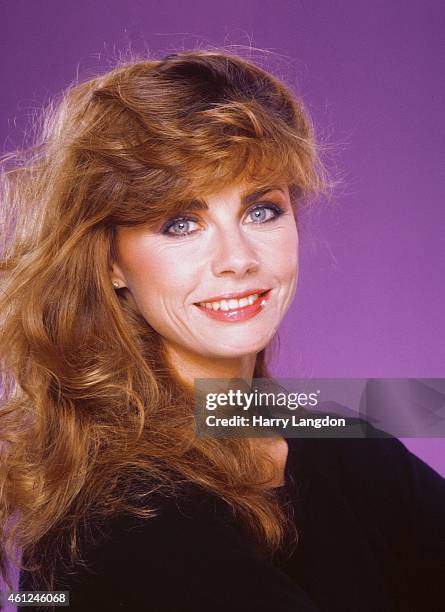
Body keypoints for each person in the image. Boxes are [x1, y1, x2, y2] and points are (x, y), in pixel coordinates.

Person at [0, 49, 444, 612]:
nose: (237, 259)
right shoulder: (115, 520)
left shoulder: (337, 442)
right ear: (110, 262)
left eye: (262, 211)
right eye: (180, 224)